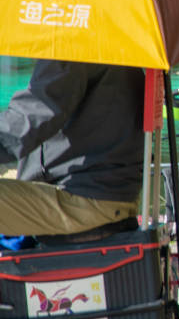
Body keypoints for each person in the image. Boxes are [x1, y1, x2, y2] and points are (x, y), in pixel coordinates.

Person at [0, 61, 144, 236]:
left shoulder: (72, 42)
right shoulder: (108, 41)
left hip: (87, 198)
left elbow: (29, 120)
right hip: (106, 190)